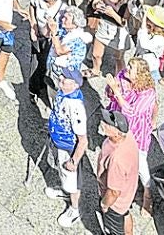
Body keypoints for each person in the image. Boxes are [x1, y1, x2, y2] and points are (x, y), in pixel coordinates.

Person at [43, 66, 89, 227]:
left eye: (65, 80)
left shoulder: (76, 107)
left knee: (73, 182)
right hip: (57, 141)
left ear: (75, 85)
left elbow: (83, 140)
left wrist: (74, 161)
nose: (61, 80)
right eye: (62, 77)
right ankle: (64, 191)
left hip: (68, 148)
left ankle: (74, 209)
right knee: (62, 174)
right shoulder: (63, 92)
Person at [93, 106, 142, 235]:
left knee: (114, 230)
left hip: (115, 203)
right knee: (125, 213)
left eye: (107, 124)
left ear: (117, 133)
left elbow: (114, 192)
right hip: (127, 193)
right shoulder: (128, 136)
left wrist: (105, 205)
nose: (102, 123)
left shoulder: (117, 159)